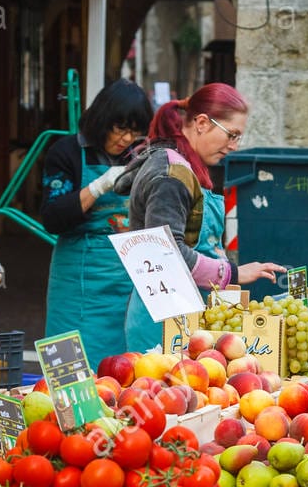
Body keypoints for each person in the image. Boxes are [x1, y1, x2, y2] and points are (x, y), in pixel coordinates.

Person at [116, 83, 285, 352]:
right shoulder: (171, 175)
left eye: (238, 138)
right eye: (231, 135)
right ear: (202, 122)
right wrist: (235, 272)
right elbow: (167, 254)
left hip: (181, 315)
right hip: (163, 325)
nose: (233, 146)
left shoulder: (183, 166)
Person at [39, 79, 154, 365]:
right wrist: (99, 186)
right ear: (102, 120)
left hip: (129, 277)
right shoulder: (65, 153)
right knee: (73, 365)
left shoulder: (141, 156)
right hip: (79, 281)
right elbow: (52, 218)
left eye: (135, 132)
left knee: (125, 367)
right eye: (120, 128)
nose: (127, 139)